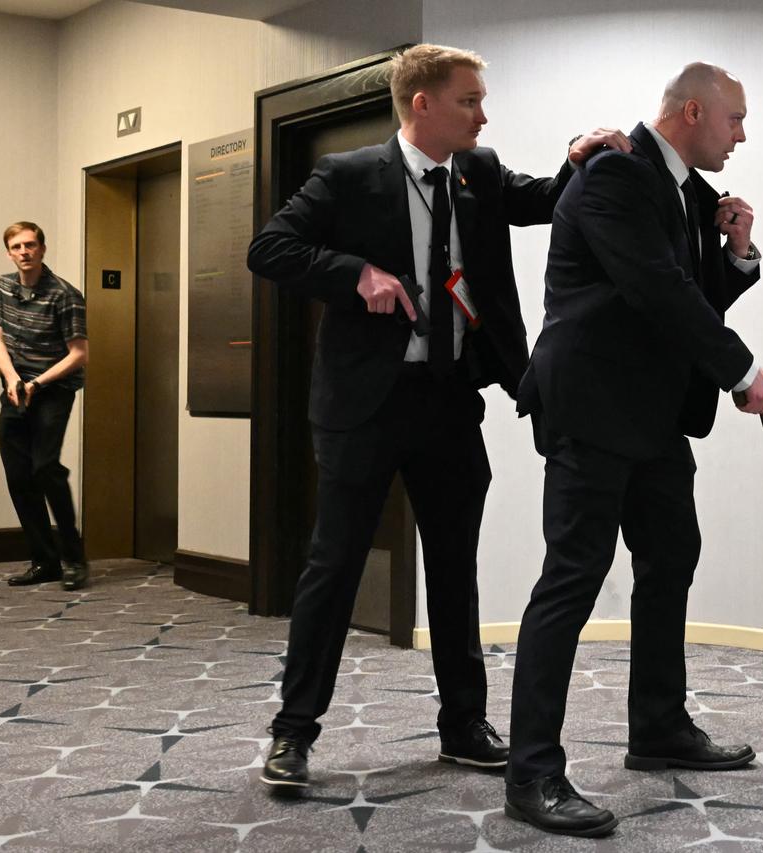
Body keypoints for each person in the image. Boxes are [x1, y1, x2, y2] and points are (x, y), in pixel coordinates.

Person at [245, 43, 628, 792]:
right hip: (365, 405)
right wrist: (356, 273)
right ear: (422, 103)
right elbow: (269, 247)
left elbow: (543, 200)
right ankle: (294, 732)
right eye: (469, 100)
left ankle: (463, 724)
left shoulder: (477, 172)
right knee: (335, 564)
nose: (483, 114)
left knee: (454, 567)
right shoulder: (349, 176)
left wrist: (577, 160)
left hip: (450, 399)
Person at [503, 62, 763, 838]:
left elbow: (689, 298)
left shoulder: (688, 192)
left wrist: (737, 253)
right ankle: (531, 773)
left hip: (653, 416)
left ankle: (658, 726)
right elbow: (656, 291)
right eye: (735, 119)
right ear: (692, 110)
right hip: (592, 407)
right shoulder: (613, 177)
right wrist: (745, 371)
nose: (742, 134)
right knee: (572, 578)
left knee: (671, 557)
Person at [0, 222, 90, 592]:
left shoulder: (65, 295)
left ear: (42, 249)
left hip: (53, 390)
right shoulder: (3, 286)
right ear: (9, 252)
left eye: (30, 245)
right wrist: (13, 379)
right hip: (15, 387)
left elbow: (79, 354)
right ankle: (44, 561)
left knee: (45, 468)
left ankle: (74, 558)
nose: (24, 252)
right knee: (18, 476)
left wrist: (35, 383)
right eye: (17, 246)